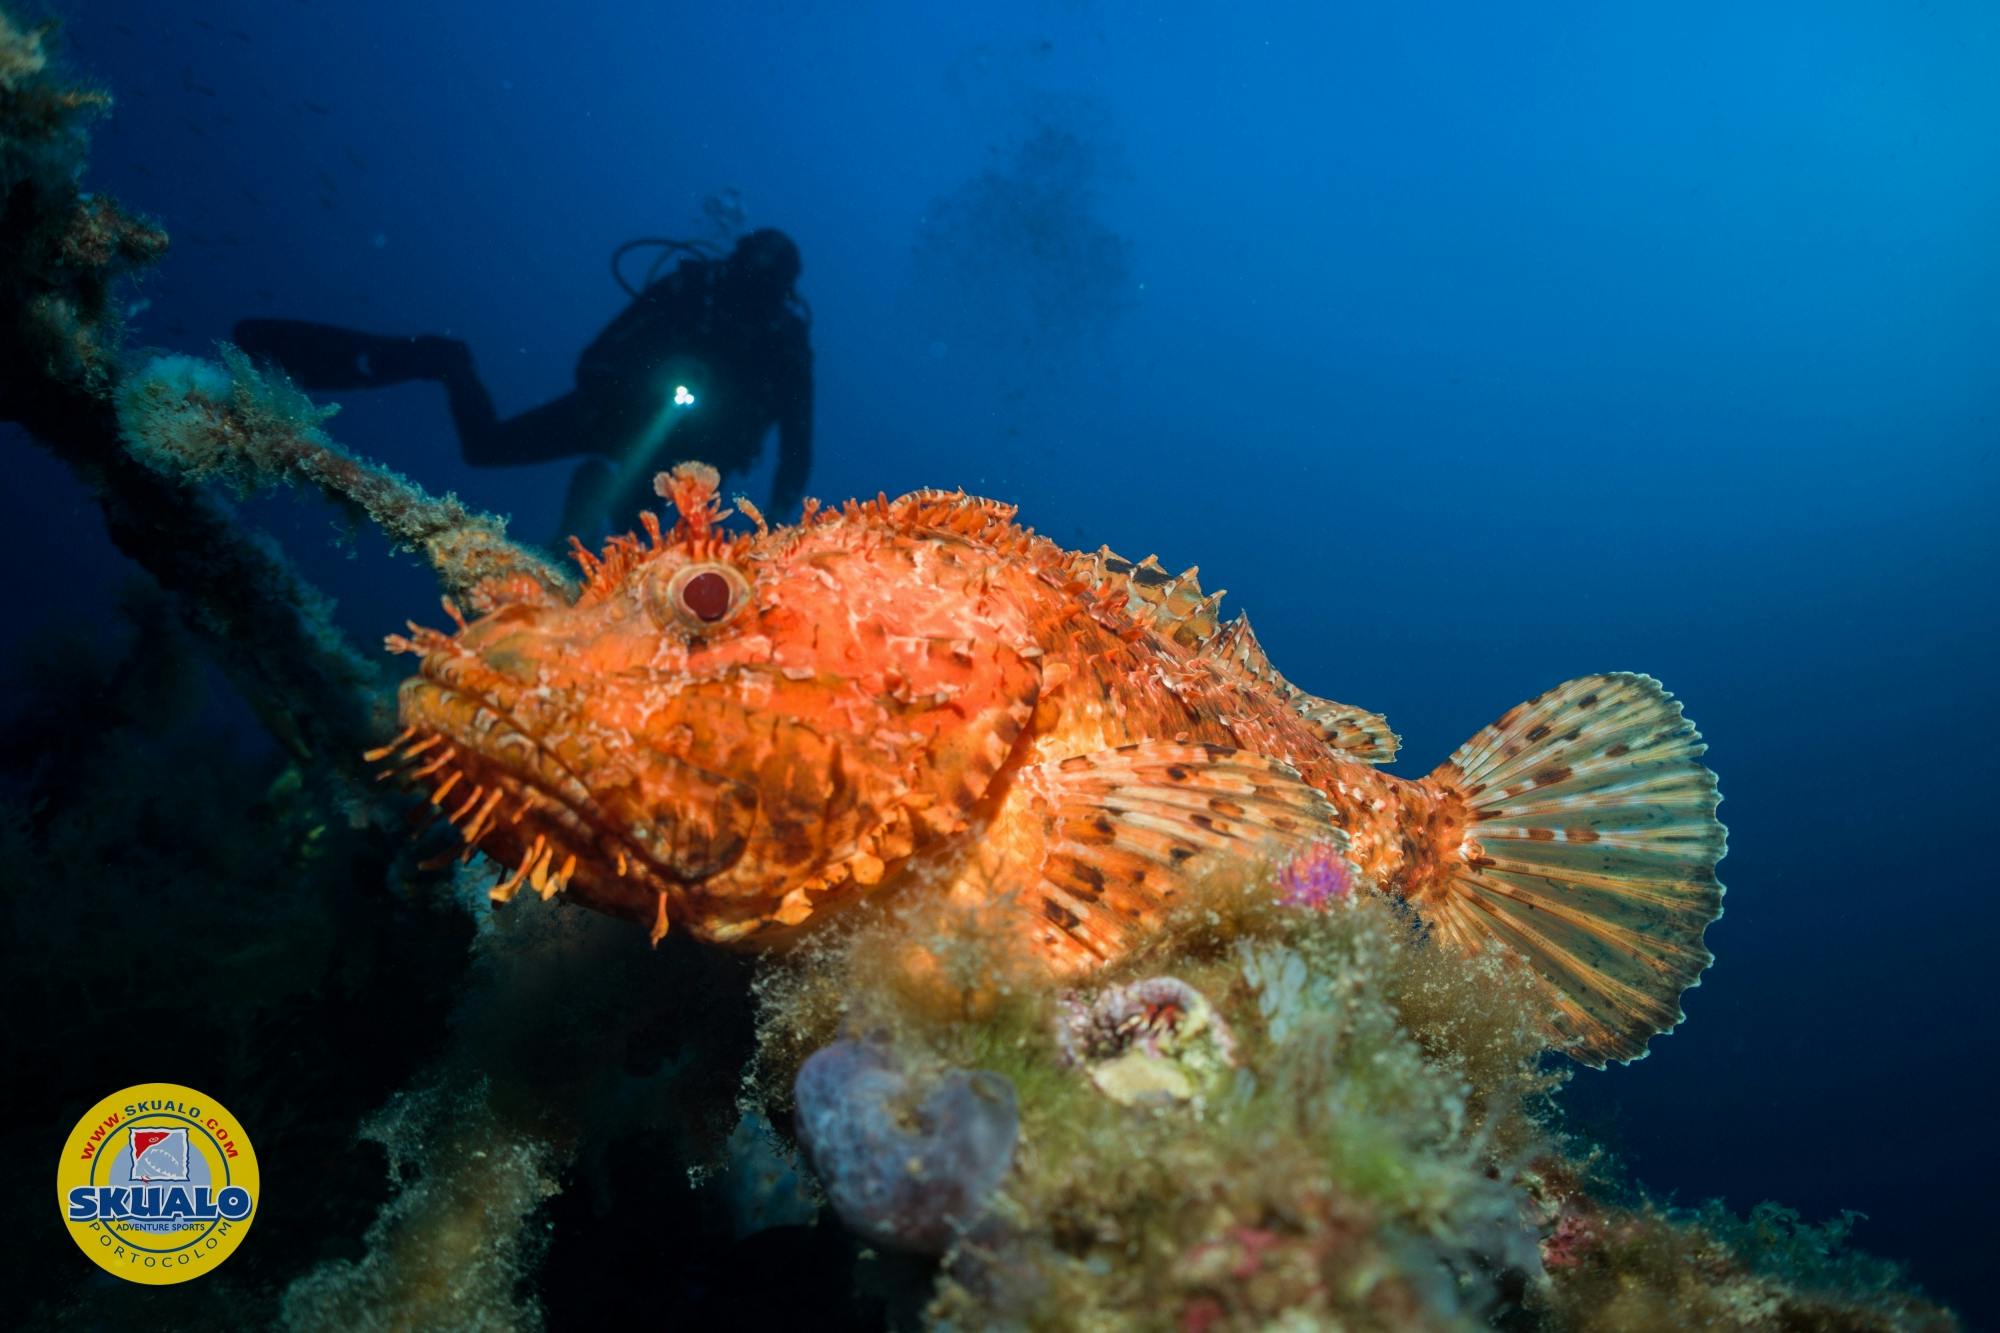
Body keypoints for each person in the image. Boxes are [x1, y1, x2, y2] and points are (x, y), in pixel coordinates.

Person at [234, 228, 813, 541]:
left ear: (781, 295)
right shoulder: (688, 293)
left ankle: (588, 507)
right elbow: (595, 359)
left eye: (760, 293)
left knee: (645, 546)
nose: (743, 303)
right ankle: (446, 362)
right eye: (742, 282)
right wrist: (644, 382)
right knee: (484, 449)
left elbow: (797, 448)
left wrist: (780, 529)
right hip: (611, 414)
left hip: (686, 466)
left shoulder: (786, 348)